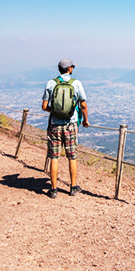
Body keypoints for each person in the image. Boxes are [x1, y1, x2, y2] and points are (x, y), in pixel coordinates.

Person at [42, 58, 89, 198]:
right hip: (71, 125)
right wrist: (85, 120)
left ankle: (53, 189)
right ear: (69, 68)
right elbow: (84, 105)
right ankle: (73, 187)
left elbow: (44, 107)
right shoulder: (76, 84)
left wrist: (56, 112)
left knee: (54, 157)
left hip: (54, 126)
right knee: (72, 156)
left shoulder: (51, 83)